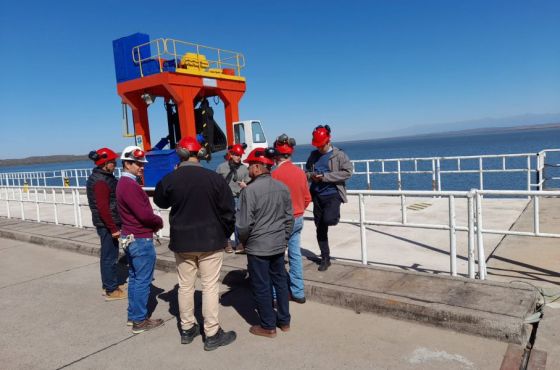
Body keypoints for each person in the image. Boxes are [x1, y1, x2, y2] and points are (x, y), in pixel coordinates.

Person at [154, 136, 237, 351]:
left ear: (179, 155)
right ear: (199, 154)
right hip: (211, 240)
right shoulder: (214, 179)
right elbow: (229, 211)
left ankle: (187, 328)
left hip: (182, 242)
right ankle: (211, 333)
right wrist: (224, 234)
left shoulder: (171, 179)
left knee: (184, 286)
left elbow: (160, 200)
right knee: (209, 286)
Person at [237, 147, 294, 338]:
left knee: (261, 286)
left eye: (250, 166)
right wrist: (284, 238)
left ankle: (268, 326)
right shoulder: (283, 188)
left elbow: (244, 225)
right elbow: (289, 219)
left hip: (258, 247)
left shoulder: (249, 191)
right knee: (280, 282)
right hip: (278, 245)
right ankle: (284, 321)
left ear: (258, 167)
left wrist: (243, 242)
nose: (248, 170)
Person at [116, 146, 165, 334]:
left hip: (130, 236)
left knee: (136, 279)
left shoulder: (122, 184)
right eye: (137, 163)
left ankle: (133, 316)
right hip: (140, 239)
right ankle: (139, 321)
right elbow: (144, 215)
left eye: (142, 164)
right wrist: (158, 221)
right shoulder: (131, 186)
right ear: (127, 164)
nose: (141, 167)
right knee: (143, 280)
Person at [305, 125, 352, 271]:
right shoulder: (313, 155)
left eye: (321, 145)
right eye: (317, 145)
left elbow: (348, 172)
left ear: (328, 141)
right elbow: (306, 171)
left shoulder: (339, 155)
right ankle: (325, 258)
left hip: (332, 194)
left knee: (329, 219)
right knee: (320, 228)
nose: (319, 148)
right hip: (317, 195)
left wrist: (325, 177)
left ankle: (333, 216)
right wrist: (311, 176)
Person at [272, 134, 311, 304]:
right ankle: (298, 292)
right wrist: (299, 210)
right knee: (295, 255)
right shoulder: (300, 173)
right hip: (298, 218)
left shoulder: (274, 175)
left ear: (276, 155)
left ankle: (276, 295)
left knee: (276, 258)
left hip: (280, 221)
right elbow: (307, 198)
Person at [86, 147, 126, 301]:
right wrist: (113, 228)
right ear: (105, 164)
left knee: (108, 255)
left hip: (107, 223)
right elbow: (103, 208)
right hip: (107, 225)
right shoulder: (101, 181)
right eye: (112, 162)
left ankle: (109, 284)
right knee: (110, 257)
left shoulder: (102, 177)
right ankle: (111, 290)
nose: (115, 165)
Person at [216, 143, 250, 253]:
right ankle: (227, 242)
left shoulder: (244, 169)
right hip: (225, 198)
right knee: (226, 220)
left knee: (238, 221)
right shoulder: (221, 167)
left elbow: (249, 183)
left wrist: (246, 185)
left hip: (238, 197)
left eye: (240, 155)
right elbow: (216, 182)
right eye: (236, 155)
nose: (238, 157)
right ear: (231, 154)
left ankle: (239, 243)